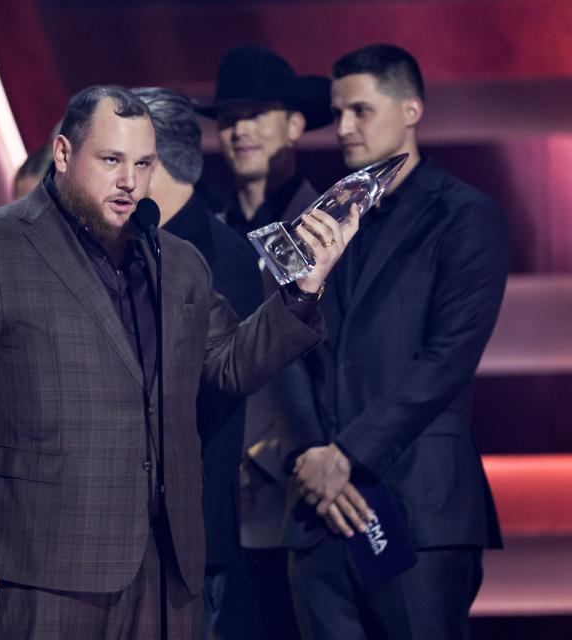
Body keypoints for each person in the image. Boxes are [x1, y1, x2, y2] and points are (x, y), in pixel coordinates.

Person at [0, 85, 356, 640]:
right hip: (40, 563)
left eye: (143, 163)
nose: (129, 181)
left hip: (165, 566)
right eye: (111, 160)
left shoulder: (176, 260)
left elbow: (229, 363)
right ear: (64, 154)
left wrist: (302, 292)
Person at [285, 44, 509, 640]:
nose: (344, 128)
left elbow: (448, 359)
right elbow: (288, 343)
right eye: (338, 114)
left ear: (411, 109)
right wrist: (311, 454)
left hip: (417, 507)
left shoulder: (465, 216)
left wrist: (345, 456)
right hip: (319, 509)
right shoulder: (322, 217)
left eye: (360, 110)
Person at [194, 45, 333, 639]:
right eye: (228, 118)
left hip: (321, 490)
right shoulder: (206, 235)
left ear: (295, 124)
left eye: (255, 114)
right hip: (229, 505)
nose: (240, 130)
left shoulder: (334, 227)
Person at [130, 86, 263, 638]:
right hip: (111, 537)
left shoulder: (221, 256)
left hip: (182, 538)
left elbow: (206, 388)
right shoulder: (122, 242)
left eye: (121, 156)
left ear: (152, 159)